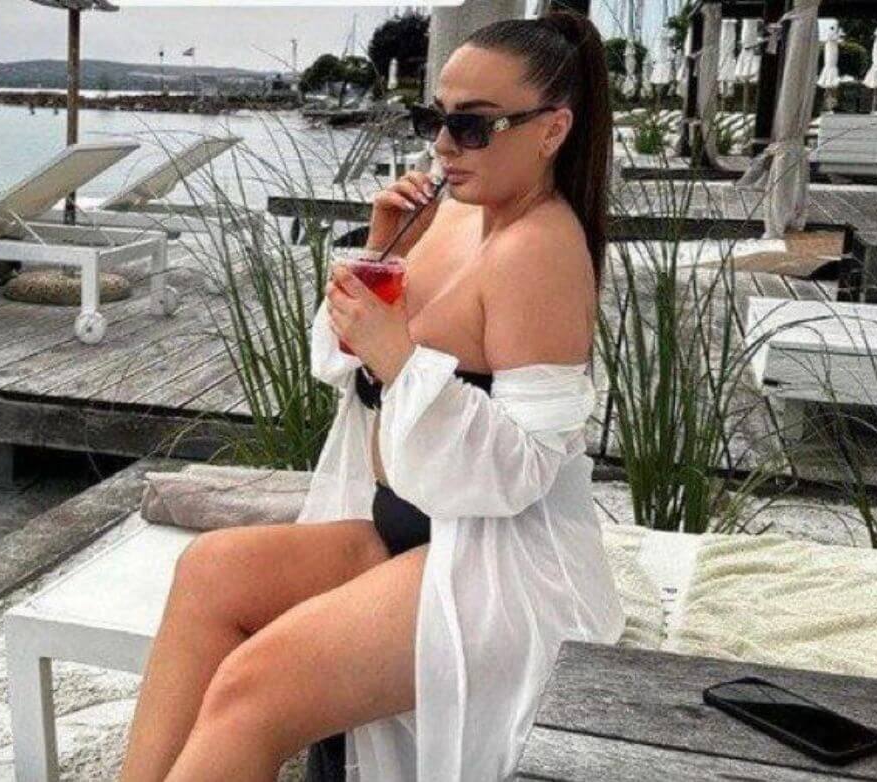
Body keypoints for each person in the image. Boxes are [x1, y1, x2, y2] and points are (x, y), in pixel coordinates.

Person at [118, 10, 624, 782]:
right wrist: (385, 247)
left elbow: (521, 469)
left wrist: (398, 355)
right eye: (432, 119)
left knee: (252, 689)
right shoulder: (451, 211)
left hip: (492, 561)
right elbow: (353, 363)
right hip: (404, 527)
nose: (443, 145)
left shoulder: (541, 251)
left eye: (472, 125)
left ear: (551, 129)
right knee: (210, 571)